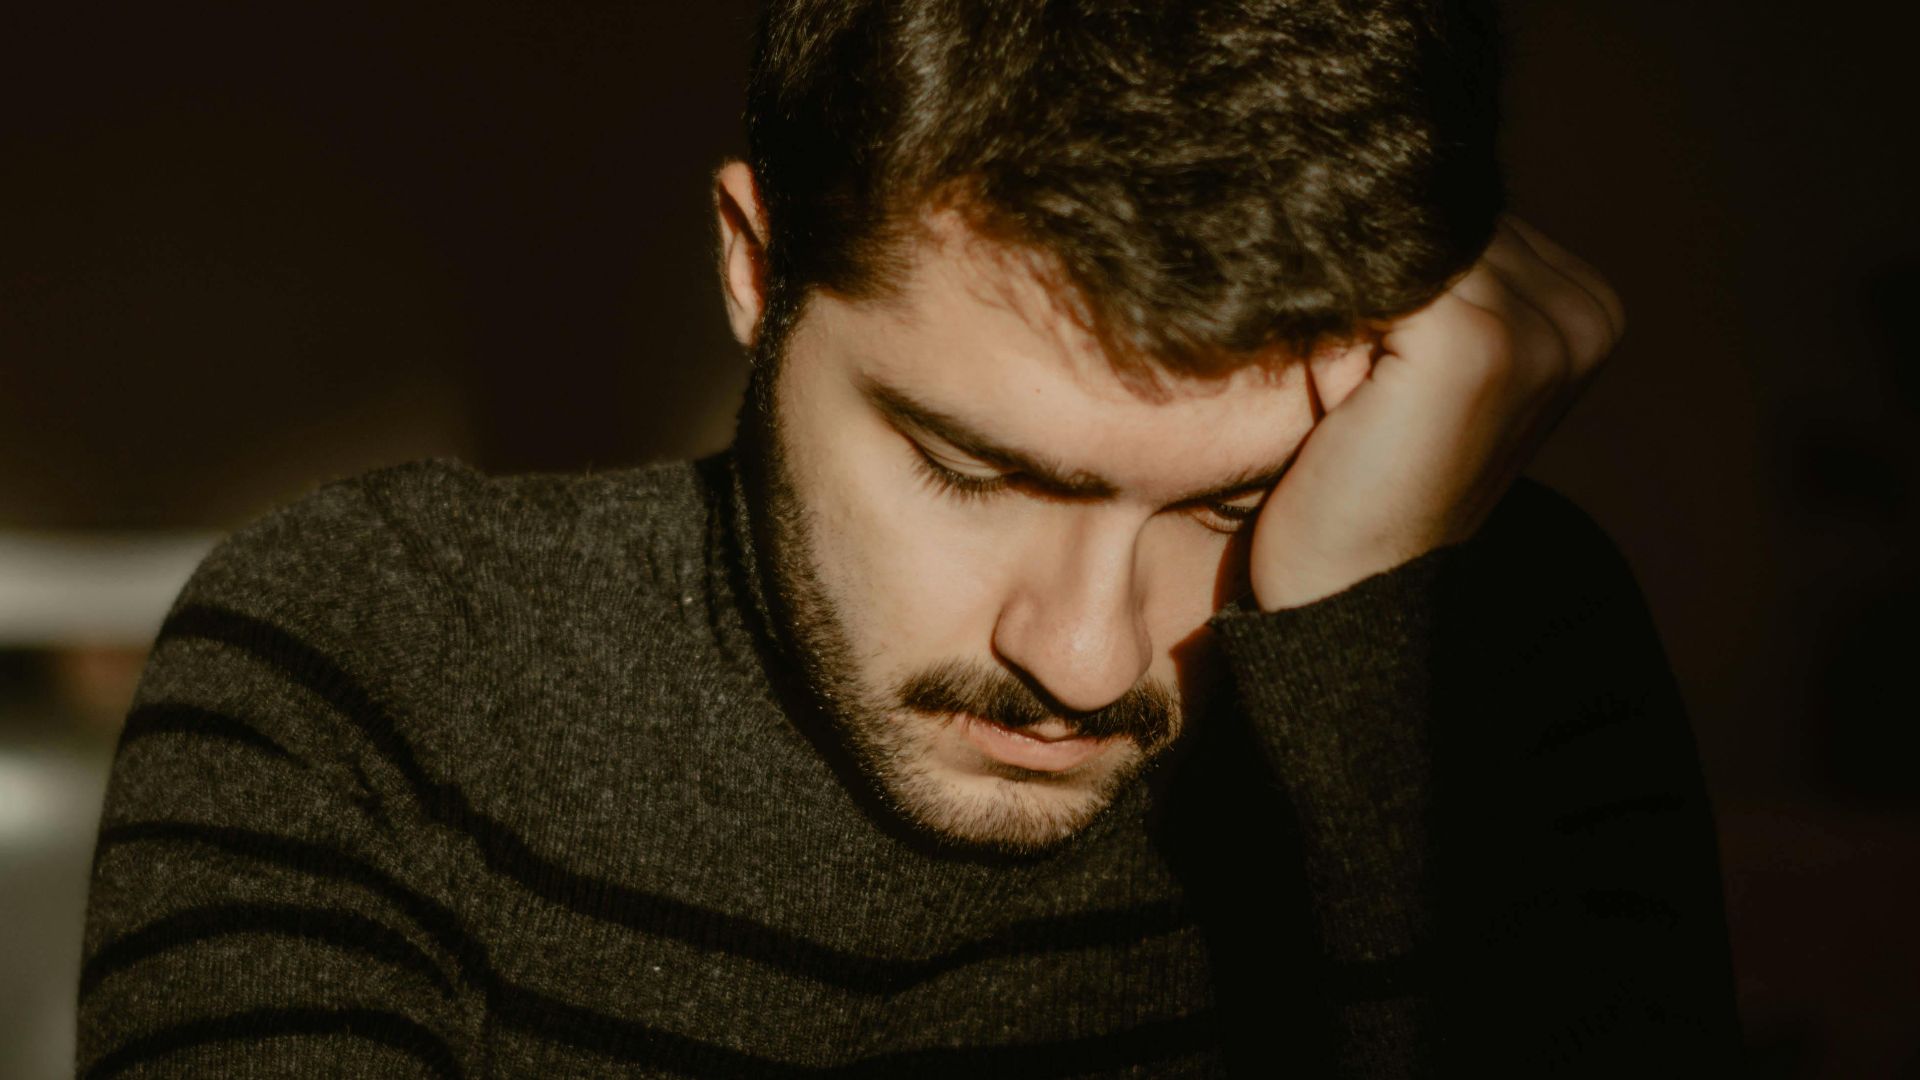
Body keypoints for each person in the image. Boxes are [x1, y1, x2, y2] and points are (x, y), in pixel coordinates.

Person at [76, 0, 1741, 1075]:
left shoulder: (1487, 652)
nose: (1084, 660)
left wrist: (1382, 652)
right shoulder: (376, 659)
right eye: (972, 468)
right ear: (756, 264)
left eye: (1236, 508)